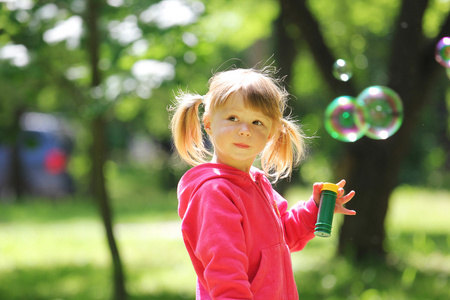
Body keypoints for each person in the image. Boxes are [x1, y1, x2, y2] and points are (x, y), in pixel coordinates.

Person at [170, 67, 356, 299]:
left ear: (270, 134)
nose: (245, 130)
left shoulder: (255, 182)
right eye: (233, 118)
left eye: (257, 122)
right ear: (208, 124)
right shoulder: (214, 192)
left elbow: (281, 237)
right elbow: (225, 272)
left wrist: (315, 209)